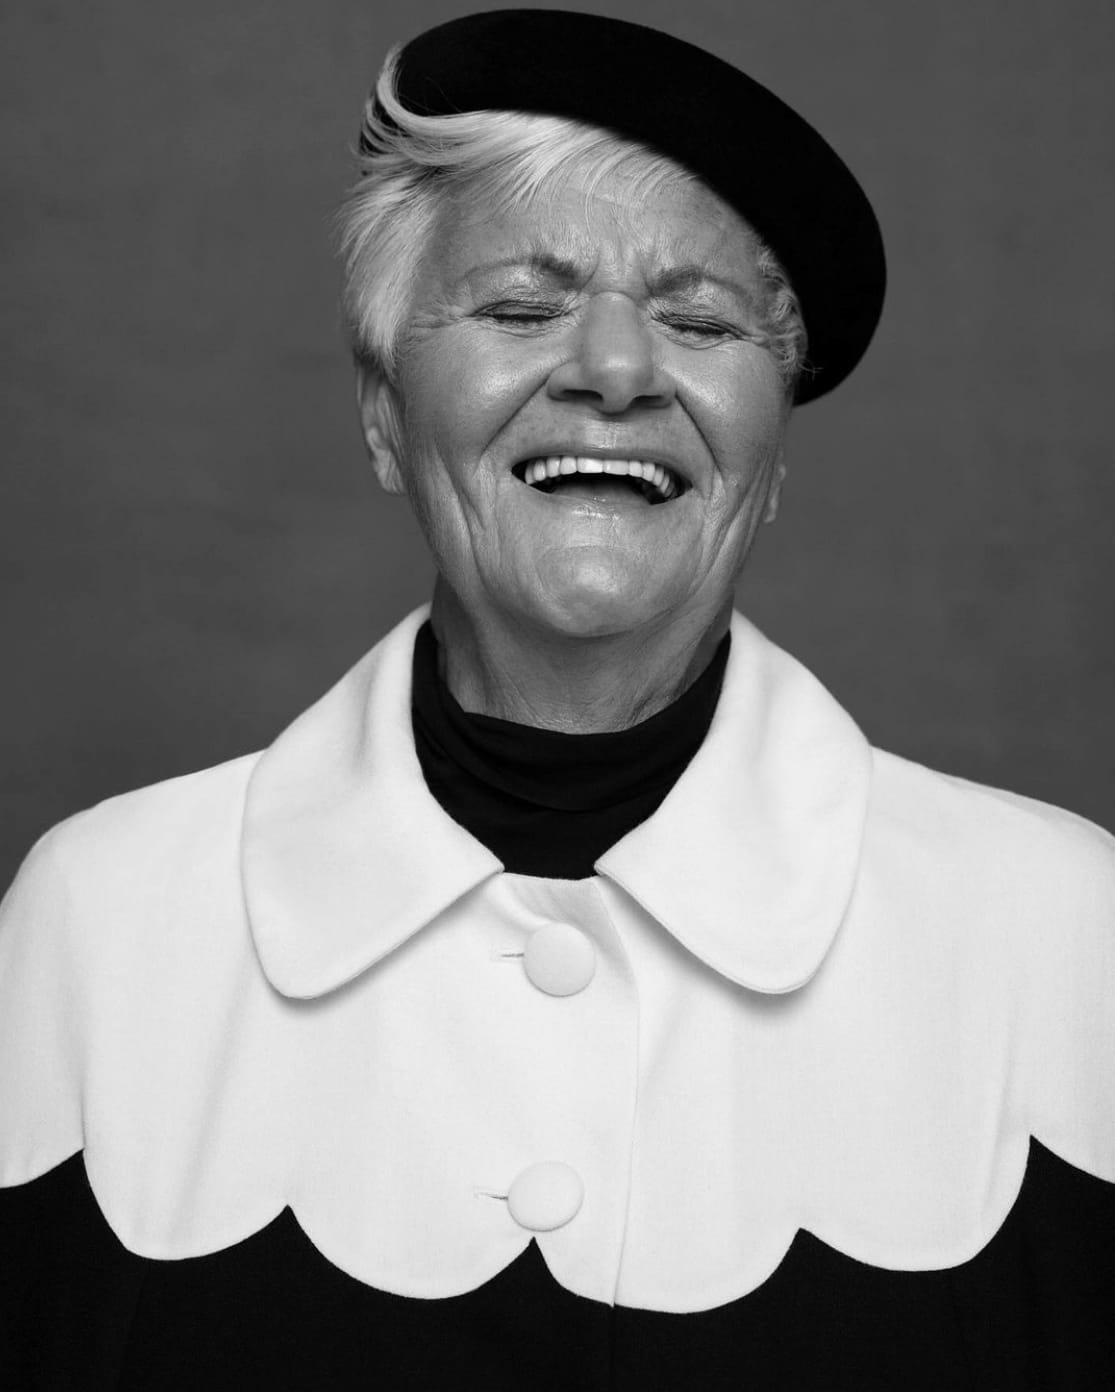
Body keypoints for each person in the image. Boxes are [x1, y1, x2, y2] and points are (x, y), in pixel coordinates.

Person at [1, 10, 1112, 1389]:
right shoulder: (97, 926)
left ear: (771, 455)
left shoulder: (1069, 935)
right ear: (381, 413)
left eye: (701, 321)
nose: (616, 372)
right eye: (522, 308)